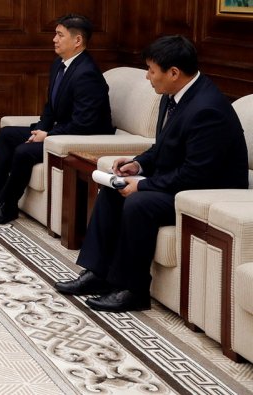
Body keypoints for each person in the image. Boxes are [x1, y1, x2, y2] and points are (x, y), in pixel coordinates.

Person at [55, 35, 248, 312]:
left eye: (151, 70)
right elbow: (164, 147)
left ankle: (133, 290)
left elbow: (197, 175)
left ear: (174, 73)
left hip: (208, 192)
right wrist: (138, 165)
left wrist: (143, 186)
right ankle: (98, 274)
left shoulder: (207, 110)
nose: (147, 77)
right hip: (186, 182)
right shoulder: (175, 96)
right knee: (113, 189)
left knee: (139, 202)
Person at [0, 14, 114, 225]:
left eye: (60, 35)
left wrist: (47, 135)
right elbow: (50, 107)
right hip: (63, 130)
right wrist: (40, 129)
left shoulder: (87, 73)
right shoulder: (60, 64)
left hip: (83, 138)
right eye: (55, 34)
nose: (54, 39)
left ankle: (9, 206)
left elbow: (85, 123)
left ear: (77, 40)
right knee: (7, 134)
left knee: (24, 151)